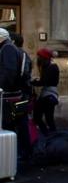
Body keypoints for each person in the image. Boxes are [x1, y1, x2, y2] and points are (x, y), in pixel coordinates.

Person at [0, 28, 31, 159]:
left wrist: (1, 86)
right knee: (20, 124)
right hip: (19, 94)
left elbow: (9, 73)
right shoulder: (17, 51)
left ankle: (12, 155)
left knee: (10, 125)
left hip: (10, 96)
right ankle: (24, 153)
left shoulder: (7, 49)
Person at [31, 48, 59, 135]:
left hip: (48, 95)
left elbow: (43, 82)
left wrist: (32, 82)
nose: (38, 58)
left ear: (44, 57)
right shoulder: (50, 66)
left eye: (39, 56)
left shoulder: (51, 67)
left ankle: (50, 135)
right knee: (48, 118)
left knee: (40, 117)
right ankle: (51, 136)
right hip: (49, 95)